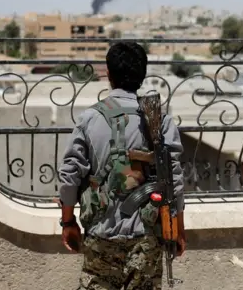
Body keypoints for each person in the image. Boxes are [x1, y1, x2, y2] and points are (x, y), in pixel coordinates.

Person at [58, 41, 186, 290]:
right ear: (143, 74)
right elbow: (175, 181)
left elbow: (69, 176)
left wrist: (67, 223)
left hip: (101, 234)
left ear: (108, 73)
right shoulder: (162, 122)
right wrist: (177, 230)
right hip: (146, 238)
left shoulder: (90, 119)